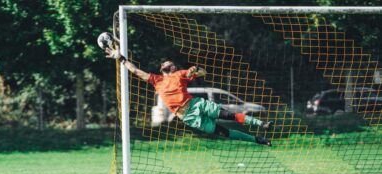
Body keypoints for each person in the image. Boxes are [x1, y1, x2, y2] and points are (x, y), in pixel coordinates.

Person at [105, 48, 273, 146]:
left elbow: (203, 72)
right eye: (165, 63)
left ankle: (262, 124)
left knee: (228, 115)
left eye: (170, 62)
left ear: (173, 67)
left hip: (196, 103)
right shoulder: (156, 80)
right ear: (162, 68)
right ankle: (258, 139)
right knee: (224, 132)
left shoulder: (180, 74)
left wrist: (196, 69)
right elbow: (135, 71)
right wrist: (120, 58)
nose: (168, 62)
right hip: (187, 116)